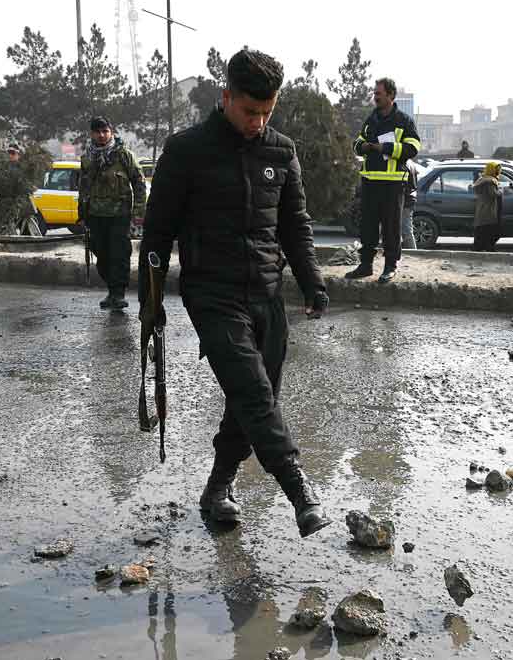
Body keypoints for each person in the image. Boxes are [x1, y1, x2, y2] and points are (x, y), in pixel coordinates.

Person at [139, 48, 332, 538]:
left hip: (267, 293)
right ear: (226, 97)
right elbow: (157, 236)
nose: (258, 121)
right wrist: (150, 302)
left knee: (251, 400)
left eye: (267, 112)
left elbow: (295, 225)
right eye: (250, 111)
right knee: (253, 393)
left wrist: (312, 281)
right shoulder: (185, 151)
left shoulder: (280, 151)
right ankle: (298, 489)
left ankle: (217, 487)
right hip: (212, 294)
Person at [346, 78, 421, 283]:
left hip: (393, 184)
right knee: (367, 226)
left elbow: (413, 148)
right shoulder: (371, 119)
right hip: (370, 182)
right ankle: (365, 265)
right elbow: (358, 142)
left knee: (391, 228)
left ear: (390, 95)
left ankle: (390, 266)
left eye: (378, 93)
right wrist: (363, 147)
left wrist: (386, 148)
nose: (375, 96)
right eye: (374, 93)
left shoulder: (404, 121)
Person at [78, 116, 146, 310]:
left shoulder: (124, 155)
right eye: (97, 131)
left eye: (105, 131)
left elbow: (139, 184)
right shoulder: (88, 158)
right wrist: (82, 213)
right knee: (101, 255)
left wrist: (138, 213)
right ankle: (111, 290)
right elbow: (83, 187)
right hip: (96, 215)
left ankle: (118, 294)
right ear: (92, 134)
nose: (101, 135)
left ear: (111, 132)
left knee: (119, 255)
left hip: (120, 215)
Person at [471, 162, 503, 252]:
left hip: (483, 209)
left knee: (481, 230)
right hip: (488, 209)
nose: (499, 171)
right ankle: (488, 248)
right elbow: (494, 194)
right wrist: (502, 190)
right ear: (492, 170)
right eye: (497, 169)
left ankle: (480, 248)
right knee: (490, 231)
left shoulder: (483, 179)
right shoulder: (490, 181)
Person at [401, 166, 418, 249]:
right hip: (409, 200)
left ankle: (412, 252)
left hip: (405, 201)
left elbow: (405, 186)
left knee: (406, 230)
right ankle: (413, 251)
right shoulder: (411, 164)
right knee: (407, 229)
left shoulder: (404, 164)